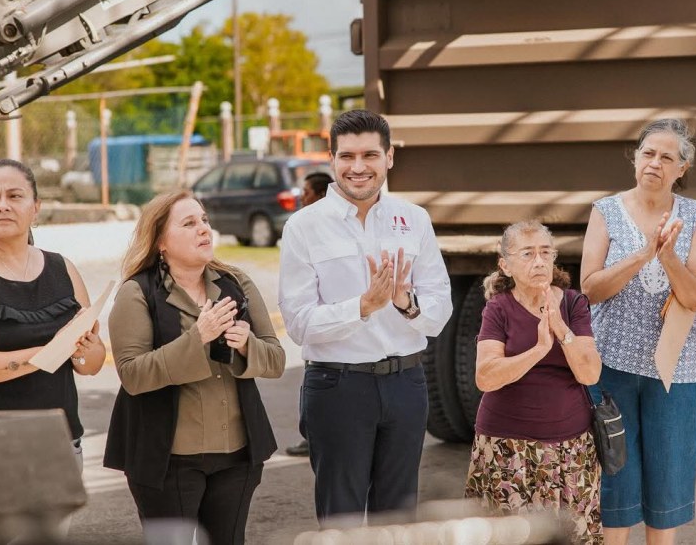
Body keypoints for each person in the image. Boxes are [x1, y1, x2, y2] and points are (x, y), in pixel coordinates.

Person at [278, 109, 452, 525]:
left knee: (399, 517)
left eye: (370, 155)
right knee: (342, 518)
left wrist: (406, 304)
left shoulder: (414, 219)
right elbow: (299, 324)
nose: (358, 167)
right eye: (347, 156)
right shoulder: (304, 226)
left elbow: (440, 309)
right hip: (338, 387)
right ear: (332, 159)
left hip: (407, 384)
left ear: (389, 157)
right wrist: (362, 307)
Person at [104, 190, 285, 545]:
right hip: (167, 461)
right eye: (189, 223)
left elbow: (276, 359)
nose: (204, 229)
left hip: (237, 457)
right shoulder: (136, 293)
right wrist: (198, 337)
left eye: (204, 220)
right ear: (160, 242)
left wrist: (247, 345)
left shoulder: (237, 284)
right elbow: (133, 375)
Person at [579, 118, 696, 545]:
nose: (655, 163)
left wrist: (669, 257)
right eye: (648, 153)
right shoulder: (605, 211)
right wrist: (643, 254)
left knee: (666, 486)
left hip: (676, 369)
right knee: (614, 483)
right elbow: (590, 289)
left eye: (667, 157)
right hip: (611, 367)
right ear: (635, 159)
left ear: (681, 169)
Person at [0, 158, 105, 466]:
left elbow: (88, 365)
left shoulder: (63, 268)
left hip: (60, 444)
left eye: (14, 196)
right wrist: (46, 354)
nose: (2, 205)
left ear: (35, 207)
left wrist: (87, 349)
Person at [464, 220, 603, 544]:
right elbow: (485, 376)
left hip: (570, 451)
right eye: (527, 254)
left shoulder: (572, 303)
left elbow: (590, 374)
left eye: (545, 252)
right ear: (506, 265)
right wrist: (539, 349)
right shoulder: (498, 309)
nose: (539, 261)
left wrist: (562, 331)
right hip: (505, 449)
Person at [286, 170, 335, 458]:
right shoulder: (303, 226)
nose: (301, 196)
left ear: (318, 194)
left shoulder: (320, 228)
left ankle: (313, 437)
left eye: (306, 191)